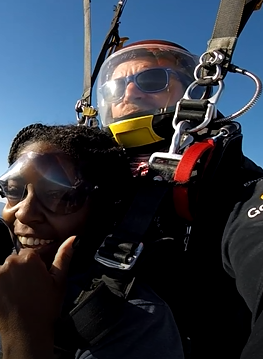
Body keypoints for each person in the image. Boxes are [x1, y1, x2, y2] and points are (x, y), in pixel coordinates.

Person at [0, 123, 184, 359]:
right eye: (14, 191)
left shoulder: (138, 321)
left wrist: (22, 330)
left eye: (58, 195)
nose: (24, 213)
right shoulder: (17, 279)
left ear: (102, 210)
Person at [95, 39, 263, 359]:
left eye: (152, 80)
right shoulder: (90, 171)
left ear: (193, 91)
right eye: (118, 85)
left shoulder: (230, 181)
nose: (129, 93)